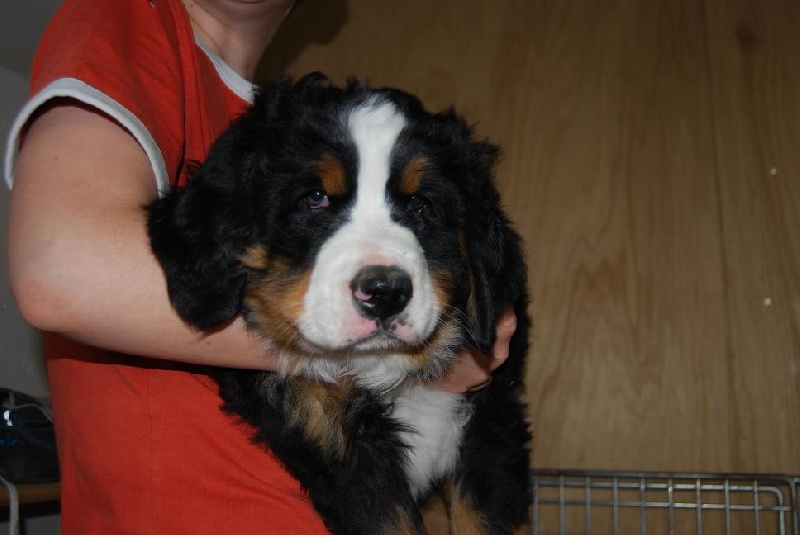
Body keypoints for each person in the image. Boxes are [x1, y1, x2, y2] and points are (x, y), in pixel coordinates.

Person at [4, 0, 517, 533]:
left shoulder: (283, 119)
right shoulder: (129, 17)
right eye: (315, 199)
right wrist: (415, 351)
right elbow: (61, 272)